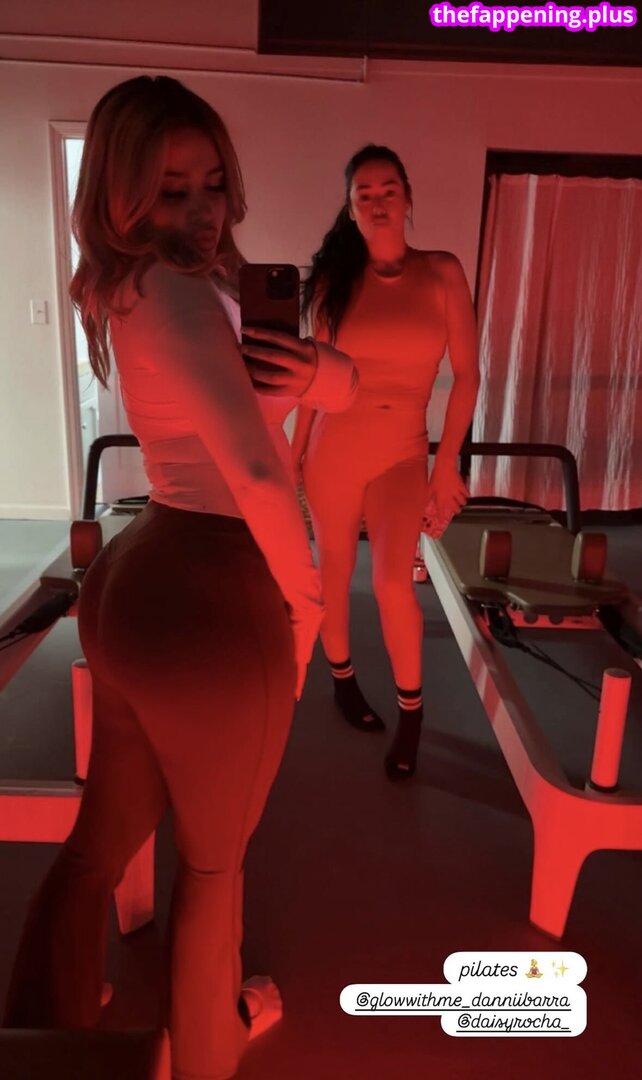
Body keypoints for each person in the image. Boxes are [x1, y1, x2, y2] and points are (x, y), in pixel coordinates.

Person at [2, 76, 357, 1080]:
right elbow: (257, 474)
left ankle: (45, 1045)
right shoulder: (177, 289)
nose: (201, 211)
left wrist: (316, 374)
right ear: (119, 196)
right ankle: (209, 1041)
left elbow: (341, 385)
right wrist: (310, 607)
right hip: (213, 591)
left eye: (211, 185)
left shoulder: (158, 285)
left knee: (96, 844)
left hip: (145, 574)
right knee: (211, 870)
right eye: (170, 192)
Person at [292, 144, 480, 781]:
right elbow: (314, 381)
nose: (377, 202)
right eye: (364, 194)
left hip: (403, 452)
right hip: (333, 451)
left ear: (407, 197)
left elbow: (468, 376)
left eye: (387, 189)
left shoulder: (443, 272)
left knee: (394, 582)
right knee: (335, 570)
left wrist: (447, 465)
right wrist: (291, 457)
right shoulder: (333, 282)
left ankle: (412, 715)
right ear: (350, 207)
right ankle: (342, 681)